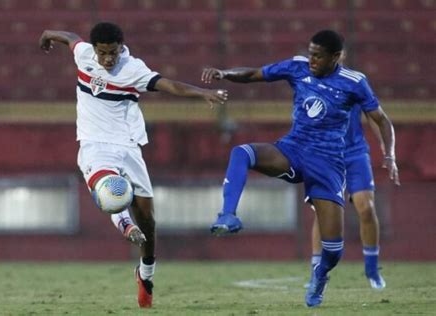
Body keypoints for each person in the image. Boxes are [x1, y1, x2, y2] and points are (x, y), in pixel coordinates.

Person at [201, 30, 399, 307]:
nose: (312, 60)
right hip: (293, 150)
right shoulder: (297, 67)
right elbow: (254, 74)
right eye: (310, 53)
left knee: (333, 251)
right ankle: (227, 215)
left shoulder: (354, 82)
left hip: (328, 165)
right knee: (242, 152)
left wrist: (389, 155)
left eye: (318, 56)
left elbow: (382, 119)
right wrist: (224, 73)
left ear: (336, 57)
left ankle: (321, 275)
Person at [39, 22, 228, 308]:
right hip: (94, 145)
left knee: (149, 224)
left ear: (121, 47)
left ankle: (145, 274)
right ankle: (124, 223)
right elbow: (71, 38)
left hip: (128, 147)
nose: (107, 59)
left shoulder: (133, 69)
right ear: (95, 50)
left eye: (112, 52)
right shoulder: (84, 55)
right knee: (109, 190)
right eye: (102, 53)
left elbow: (169, 85)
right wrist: (48, 34)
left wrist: (201, 93)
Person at [308, 103, 399, 291]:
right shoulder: (310, 82)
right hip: (325, 155)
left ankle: (372, 268)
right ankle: (317, 272)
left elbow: (375, 115)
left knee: (366, 208)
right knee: (322, 213)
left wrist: (384, 142)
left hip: (355, 153)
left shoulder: (355, 83)